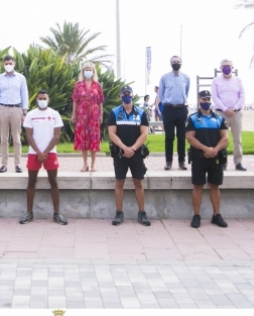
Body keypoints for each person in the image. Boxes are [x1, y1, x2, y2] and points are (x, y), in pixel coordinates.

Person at [20, 90, 68, 225]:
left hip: (50, 153)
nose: (42, 100)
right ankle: (29, 213)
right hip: (33, 153)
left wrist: (45, 152)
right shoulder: (31, 115)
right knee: (31, 182)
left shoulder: (54, 114)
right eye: (40, 98)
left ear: (48, 99)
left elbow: (57, 135)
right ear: (36, 100)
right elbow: (28, 135)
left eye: (44, 98)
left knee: (53, 181)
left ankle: (57, 213)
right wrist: (38, 152)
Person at [185, 90, 229, 229]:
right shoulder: (192, 119)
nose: (206, 101)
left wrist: (214, 150)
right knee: (198, 186)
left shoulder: (219, 119)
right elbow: (190, 137)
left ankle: (216, 215)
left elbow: (225, 137)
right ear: (199, 100)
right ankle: (196, 216)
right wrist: (206, 149)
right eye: (203, 99)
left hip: (215, 158)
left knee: (215, 186)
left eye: (208, 99)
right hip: (199, 157)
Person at [108, 85, 151, 226]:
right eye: (124, 93)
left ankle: (142, 213)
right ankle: (119, 213)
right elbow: (112, 133)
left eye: (128, 93)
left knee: (138, 182)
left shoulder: (141, 113)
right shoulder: (114, 113)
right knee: (119, 182)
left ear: (132, 95)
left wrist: (132, 148)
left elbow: (144, 133)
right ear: (120, 96)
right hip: (120, 153)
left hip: (136, 153)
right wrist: (124, 148)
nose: (126, 95)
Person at [0, 54, 29, 173]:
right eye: (6, 63)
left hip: (16, 109)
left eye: (10, 63)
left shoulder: (21, 78)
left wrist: (24, 112)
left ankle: (18, 164)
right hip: (2, 108)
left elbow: (24, 95)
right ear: (3, 64)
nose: (8, 65)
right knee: (3, 139)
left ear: (14, 64)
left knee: (17, 138)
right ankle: (4, 164)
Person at [211, 58, 247, 171]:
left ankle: (238, 162)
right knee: (222, 139)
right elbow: (215, 97)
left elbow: (242, 96)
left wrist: (234, 108)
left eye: (229, 66)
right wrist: (225, 109)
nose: (226, 68)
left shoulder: (238, 81)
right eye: (224, 66)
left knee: (238, 139)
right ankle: (222, 162)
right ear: (220, 68)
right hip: (221, 113)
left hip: (236, 113)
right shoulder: (216, 81)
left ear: (233, 68)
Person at [158, 55, 190, 170]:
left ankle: (182, 161)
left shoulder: (186, 78)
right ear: (170, 63)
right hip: (169, 109)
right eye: (174, 62)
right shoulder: (164, 78)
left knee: (181, 137)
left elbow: (186, 93)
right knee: (169, 137)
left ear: (181, 63)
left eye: (178, 61)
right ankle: (168, 161)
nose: (176, 63)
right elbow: (160, 95)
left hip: (182, 109)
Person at [71, 62, 104, 172]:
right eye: (86, 69)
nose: (88, 71)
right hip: (81, 114)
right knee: (83, 138)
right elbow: (75, 100)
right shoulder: (78, 85)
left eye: (90, 69)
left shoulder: (97, 85)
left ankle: (93, 164)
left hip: (94, 113)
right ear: (83, 71)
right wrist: (73, 114)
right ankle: (85, 164)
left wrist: (101, 115)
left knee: (93, 138)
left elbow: (100, 101)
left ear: (93, 71)